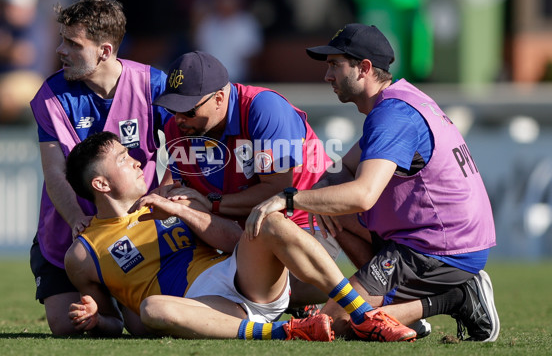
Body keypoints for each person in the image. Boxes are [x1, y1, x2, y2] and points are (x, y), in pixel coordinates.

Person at [246, 23, 500, 342]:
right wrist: (322, 195)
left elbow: (363, 195)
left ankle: (460, 297)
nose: (327, 77)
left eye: (335, 66)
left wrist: (289, 198)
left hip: (439, 248)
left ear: (364, 68)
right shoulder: (399, 100)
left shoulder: (392, 115)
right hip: (434, 238)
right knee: (331, 203)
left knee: (332, 324)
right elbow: (342, 169)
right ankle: (400, 305)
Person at [63, 131, 417, 342]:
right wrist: (94, 319)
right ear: (101, 184)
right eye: (124, 159)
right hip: (199, 309)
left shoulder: (166, 198)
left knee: (267, 219)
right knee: (153, 307)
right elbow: (118, 323)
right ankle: (289, 331)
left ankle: (363, 315)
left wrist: (185, 211)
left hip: (241, 276)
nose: (138, 162)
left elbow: (235, 240)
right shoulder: (83, 253)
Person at [151, 50, 338, 310]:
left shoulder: (263, 108)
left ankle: (363, 296)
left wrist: (210, 203)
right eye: (172, 108)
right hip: (239, 231)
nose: (178, 118)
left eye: (188, 109)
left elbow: (277, 192)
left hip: (303, 222)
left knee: (263, 288)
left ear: (218, 98)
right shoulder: (179, 128)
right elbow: (180, 184)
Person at [28, 0, 170, 336]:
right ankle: (106, 313)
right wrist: (78, 220)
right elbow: (55, 173)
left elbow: (183, 152)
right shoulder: (51, 95)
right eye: (61, 39)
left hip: (138, 231)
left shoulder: (154, 86)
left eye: (72, 43)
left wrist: (164, 196)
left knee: (150, 326)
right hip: (70, 231)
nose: (60, 50)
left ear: (104, 51)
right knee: (68, 326)